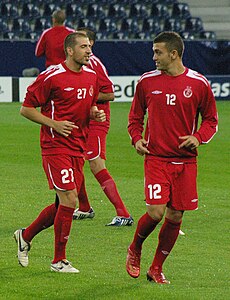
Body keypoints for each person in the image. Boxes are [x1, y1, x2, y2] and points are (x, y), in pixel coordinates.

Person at [126, 31, 218, 284]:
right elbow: (135, 118)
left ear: (174, 54)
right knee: (155, 212)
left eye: (158, 52)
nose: (153, 57)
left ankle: (156, 268)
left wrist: (198, 137)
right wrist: (136, 139)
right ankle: (135, 248)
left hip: (186, 162)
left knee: (176, 216)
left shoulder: (199, 84)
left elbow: (211, 121)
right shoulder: (147, 82)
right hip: (156, 158)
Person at [14, 32, 106, 273]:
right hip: (55, 146)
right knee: (70, 200)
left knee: (61, 204)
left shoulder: (91, 76)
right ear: (69, 50)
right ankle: (58, 260)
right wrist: (53, 124)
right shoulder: (52, 76)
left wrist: (95, 113)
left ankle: (25, 236)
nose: (89, 50)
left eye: (89, 46)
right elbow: (26, 109)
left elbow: (89, 104)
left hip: (78, 147)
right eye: (83, 47)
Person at [72, 27, 133, 226]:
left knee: (96, 164)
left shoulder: (94, 63)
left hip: (97, 120)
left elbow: (109, 94)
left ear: (92, 44)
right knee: (75, 162)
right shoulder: (76, 65)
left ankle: (123, 213)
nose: (84, 46)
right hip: (81, 120)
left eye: (86, 42)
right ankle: (84, 208)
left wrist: (82, 96)